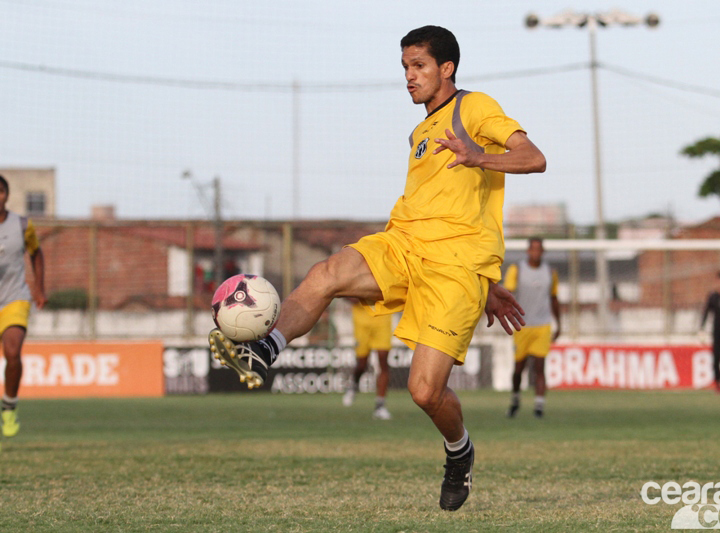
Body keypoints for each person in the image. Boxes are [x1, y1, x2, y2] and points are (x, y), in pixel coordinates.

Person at [208, 25, 544, 511]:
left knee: (425, 392)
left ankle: (459, 452)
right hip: (405, 244)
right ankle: (264, 347)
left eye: (419, 66)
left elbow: (534, 158)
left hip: (455, 267)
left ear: (447, 68)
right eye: (405, 67)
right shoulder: (421, 130)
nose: (409, 77)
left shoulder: (474, 108)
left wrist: (480, 156)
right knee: (326, 274)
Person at [0, 175, 47, 448]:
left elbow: (36, 254)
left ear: (7, 195)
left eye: (1, 191)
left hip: (15, 299)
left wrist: (39, 289)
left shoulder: (21, 224)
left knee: (13, 352)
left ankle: (9, 406)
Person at [503, 237, 560, 419]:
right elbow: (508, 294)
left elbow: (554, 299)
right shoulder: (517, 270)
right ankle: (515, 400)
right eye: (533, 249)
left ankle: (539, 407)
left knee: (539, 367)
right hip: (522, 325)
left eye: (539, 249)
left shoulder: (550, 273)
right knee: (519, 368)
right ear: (528, 251)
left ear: (543, 251)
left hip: (543, 325)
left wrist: (559, 323)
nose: (536, 252)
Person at [342, 299, 393, 420]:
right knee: (362, 364)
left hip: (382, 318)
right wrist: (357, 294)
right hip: (361, 320)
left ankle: (380, 406)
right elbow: (346, 293)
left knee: (383, 360)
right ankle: (354, 385)